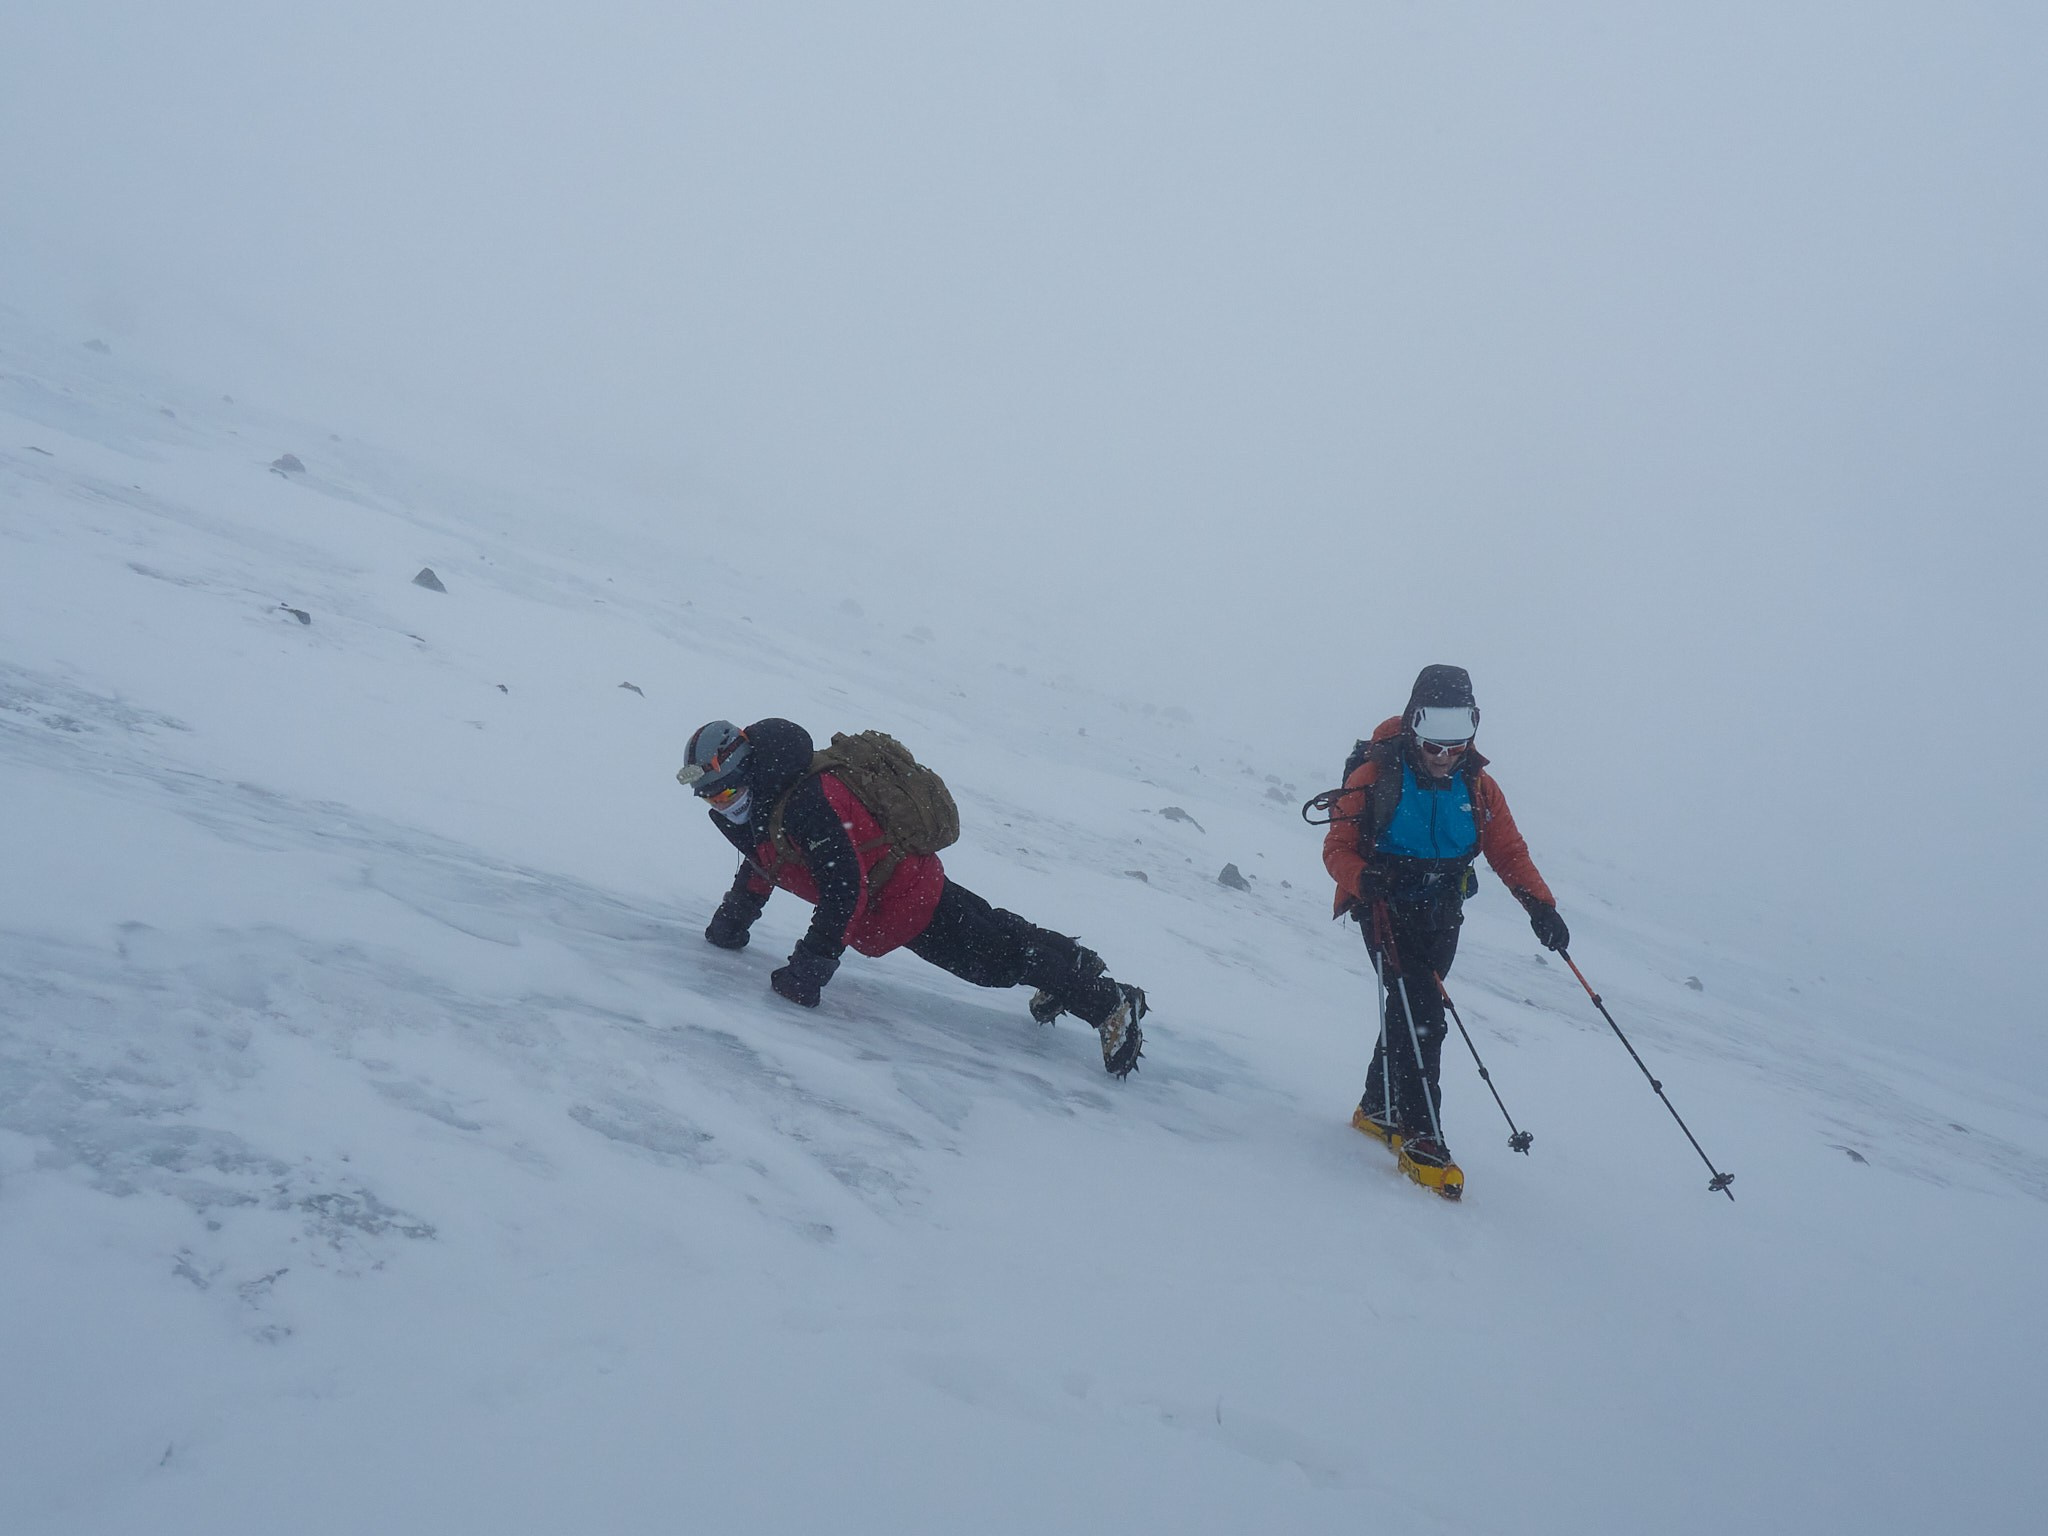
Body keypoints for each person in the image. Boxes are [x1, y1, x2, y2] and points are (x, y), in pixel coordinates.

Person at [679, 718, 1148, 1077]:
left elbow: (843, 890)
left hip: (902, 902)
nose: (722, 805)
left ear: (749, 770)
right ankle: (1076, 965)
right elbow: (767, 860)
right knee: (998, 931)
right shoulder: (764, 805)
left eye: (725, 792)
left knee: (995, 963)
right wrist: (733, 920)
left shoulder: (805, 801)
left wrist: (808, 971)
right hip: (905, 881)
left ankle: (1108, 1005)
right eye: (710, 799)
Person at [1320, 665, 1568, 1196]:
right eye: (1433, 740)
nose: (1443, 754)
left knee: (1412, 1005)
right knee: (1424, 1011)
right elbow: (1336, 849)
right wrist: (1365, 879)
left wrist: (1540, 907)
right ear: (1413, 723)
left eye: (1456, 740)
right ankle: (1422, 1137)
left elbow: (1508, 851)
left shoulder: (1478, 786)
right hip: (1384, 907)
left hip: (1442, 913)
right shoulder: (1375, 776)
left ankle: (1379, 1108)